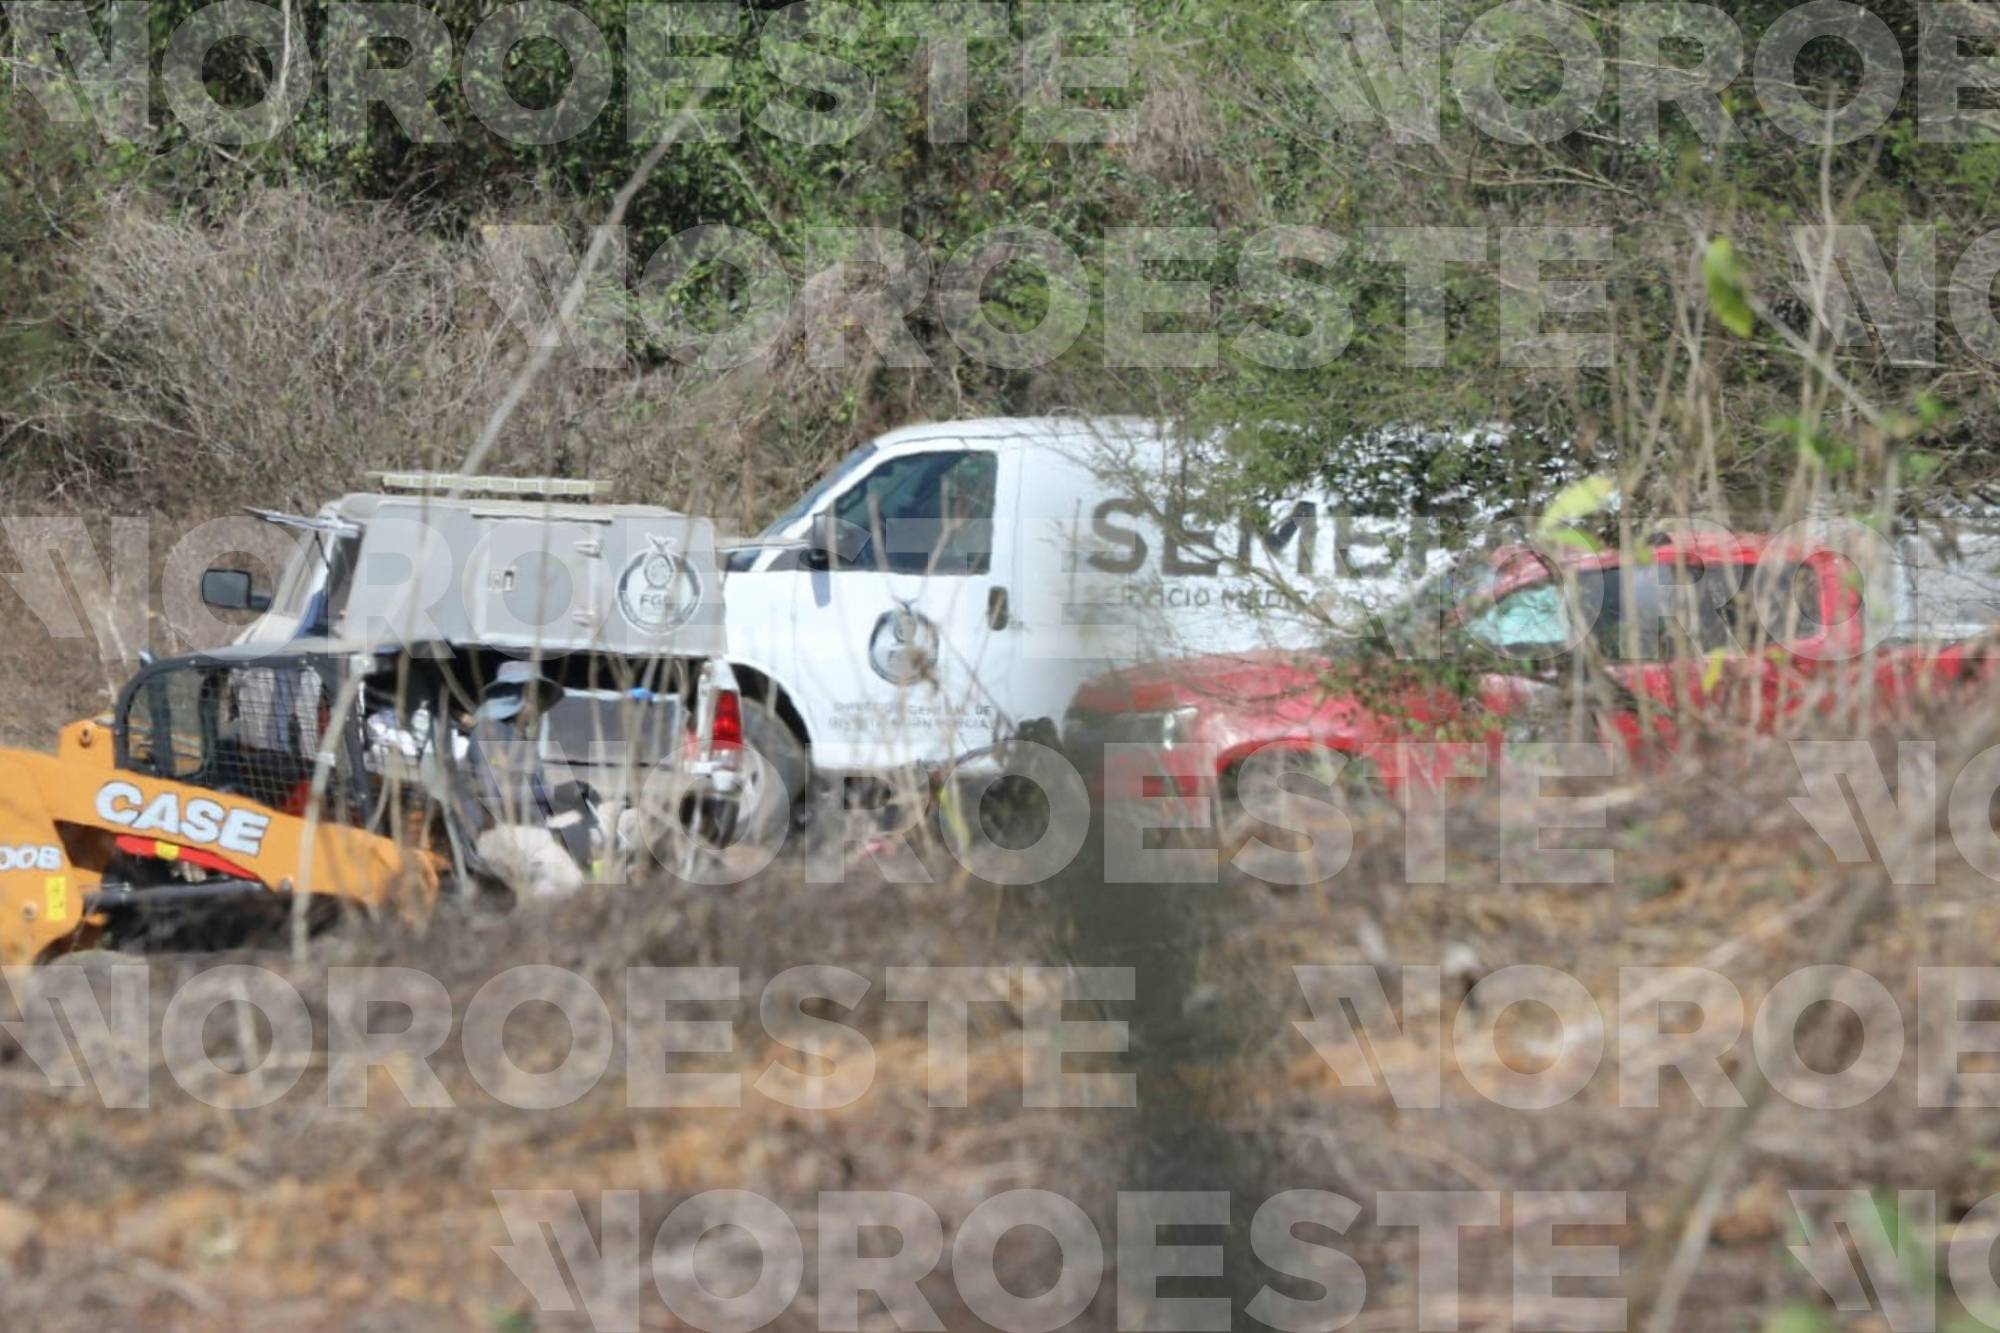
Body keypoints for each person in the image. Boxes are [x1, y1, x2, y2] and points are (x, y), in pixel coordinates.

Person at [457, 661, 596, 899]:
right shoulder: (488, 733)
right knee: (562, 874)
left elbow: (541, 793)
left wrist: (572, 794)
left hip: (530, 828)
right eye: (537, 698)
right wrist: (554, 795)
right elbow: (498, 795)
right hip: (493, 832)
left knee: (599, 836)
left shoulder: (523, 742)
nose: (541, 707)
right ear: (520, 697)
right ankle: (536, 927)